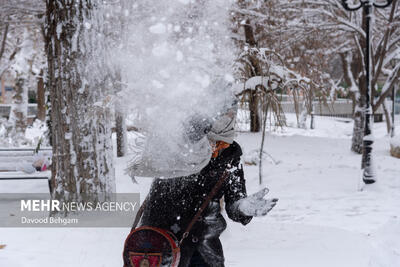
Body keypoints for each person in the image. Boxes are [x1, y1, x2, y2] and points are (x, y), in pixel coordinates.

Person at [137, 101, 278, 267]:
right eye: (213, 143)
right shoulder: (177, 147)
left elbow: (234, 199)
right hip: (160, 243)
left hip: (205, 247)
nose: (217, 150)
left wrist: (241, 207)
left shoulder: (231, 155)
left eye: (223, 144)